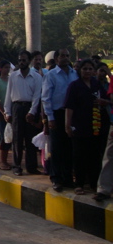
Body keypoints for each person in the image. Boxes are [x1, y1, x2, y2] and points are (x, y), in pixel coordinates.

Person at [64, 59, 109, 195]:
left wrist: (103, 102)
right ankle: (79, 184)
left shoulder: (96, 84)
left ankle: (95, 184)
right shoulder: (74, 86)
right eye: (85, 69)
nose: (88, 71)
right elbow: (69, 107)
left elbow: (108, 100)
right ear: (80, 70)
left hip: (95, 126)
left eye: (90, 69)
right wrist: (67, 125)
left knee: (94, 156)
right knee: (79, 156)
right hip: (79, 125)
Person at [41, 48, 78, 191]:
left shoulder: (75, 74)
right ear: (56, 59)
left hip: (72, 115)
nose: (65, 58)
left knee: (70, 147)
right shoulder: (51, 75)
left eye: (67, 56)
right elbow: (46, 98)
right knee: (56, 148)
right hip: (56, 114)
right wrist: (50, 118)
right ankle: (56, 178)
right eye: (62, 56)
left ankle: (68, 178)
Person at [4, 50, 42, 176]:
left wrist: (32, 112)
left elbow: (37, 96)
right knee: (17, 139)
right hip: (17, 108)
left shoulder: (36, 76)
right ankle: (17, 166)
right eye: (20, 60)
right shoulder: (13, 76)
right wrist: (7, 112)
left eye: (24, 60)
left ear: (29, 61)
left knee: (31, 139)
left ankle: (31, 167)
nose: (21, 62)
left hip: (31, 107)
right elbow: (8, 95)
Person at [0, 59, 12, 170]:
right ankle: (2, 161)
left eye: (9, 68)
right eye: (5, 67)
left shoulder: (12, 80)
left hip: (11, 111)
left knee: (11, 136)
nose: (7, 70)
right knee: (4, 136)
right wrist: (4, 112)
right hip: (0, 112)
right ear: (0, 69)